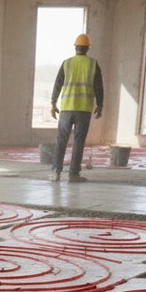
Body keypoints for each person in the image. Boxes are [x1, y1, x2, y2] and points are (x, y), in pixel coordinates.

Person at [49, 33, 104, 183]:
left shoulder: (67, 63)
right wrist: (100, 105)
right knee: (79, 142)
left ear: (75, 47)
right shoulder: (93, 64)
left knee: (61, 141)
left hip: (67, 108)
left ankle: (56, 172)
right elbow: (99, 87)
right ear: (87, 48)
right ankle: (73, 174)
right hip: (84, 110)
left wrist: (53, 103)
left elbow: (57, 84)